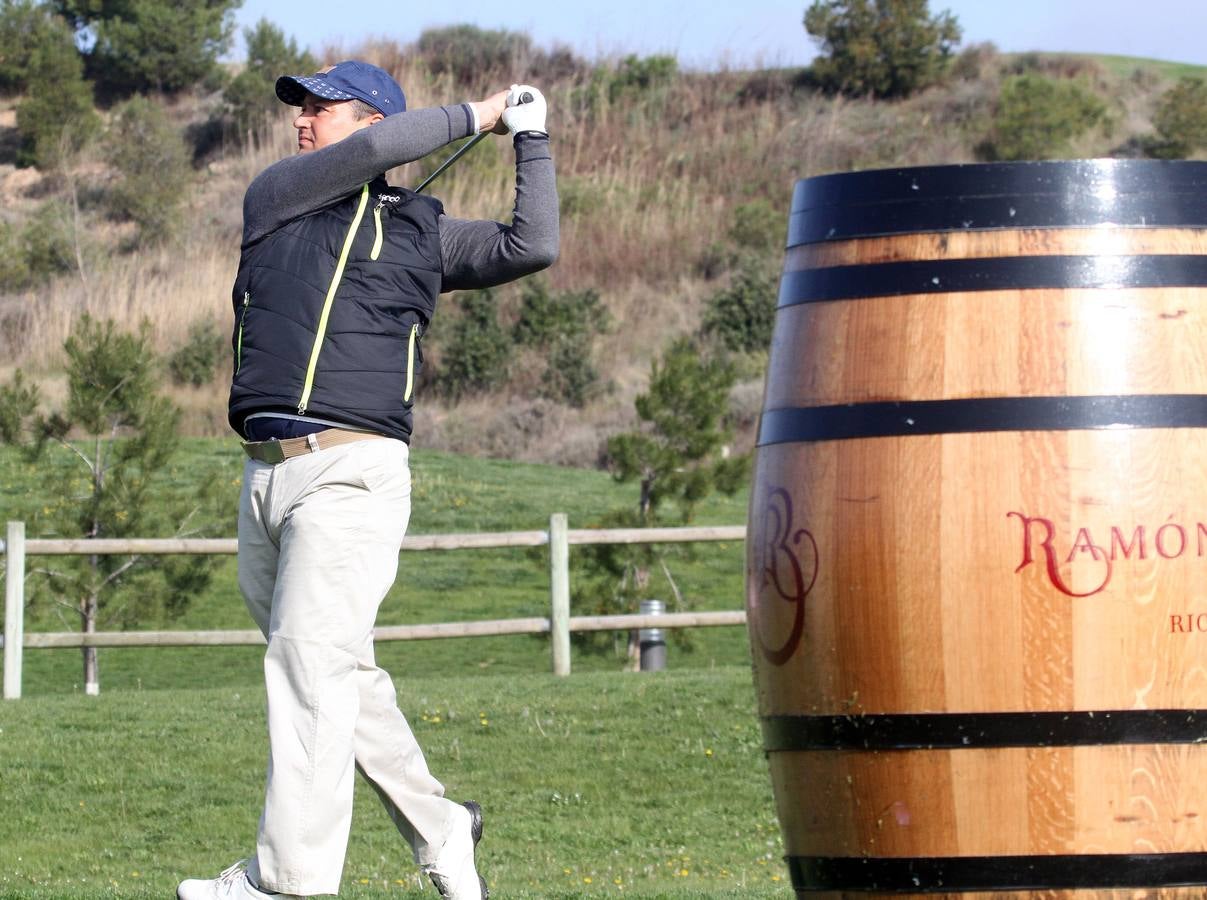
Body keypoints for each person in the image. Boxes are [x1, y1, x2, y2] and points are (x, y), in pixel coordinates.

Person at [176, 60, 558, 900]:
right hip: (266, 481)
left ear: (368, 117)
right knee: (337, 675)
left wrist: (528, 141)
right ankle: (441, 825)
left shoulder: (423, 231)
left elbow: (532, 245)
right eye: (299, 107)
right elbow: (383, 147)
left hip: (354, 474)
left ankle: (287, 883)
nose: (301, 119)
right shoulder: (278, 196)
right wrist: (478, 113)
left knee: (308, 666)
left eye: (321, 107)